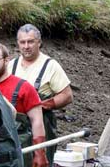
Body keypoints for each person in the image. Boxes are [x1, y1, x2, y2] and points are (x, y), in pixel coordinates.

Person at [10, 24, 72, 158]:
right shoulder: (11, 65)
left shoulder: (50, 65)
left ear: (39, 42)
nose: (26, 46)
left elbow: (67, 96)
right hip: (14, 127)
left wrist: (42, 106)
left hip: (41, 126)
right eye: (22, 42)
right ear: (18, 44)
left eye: (31, 41)